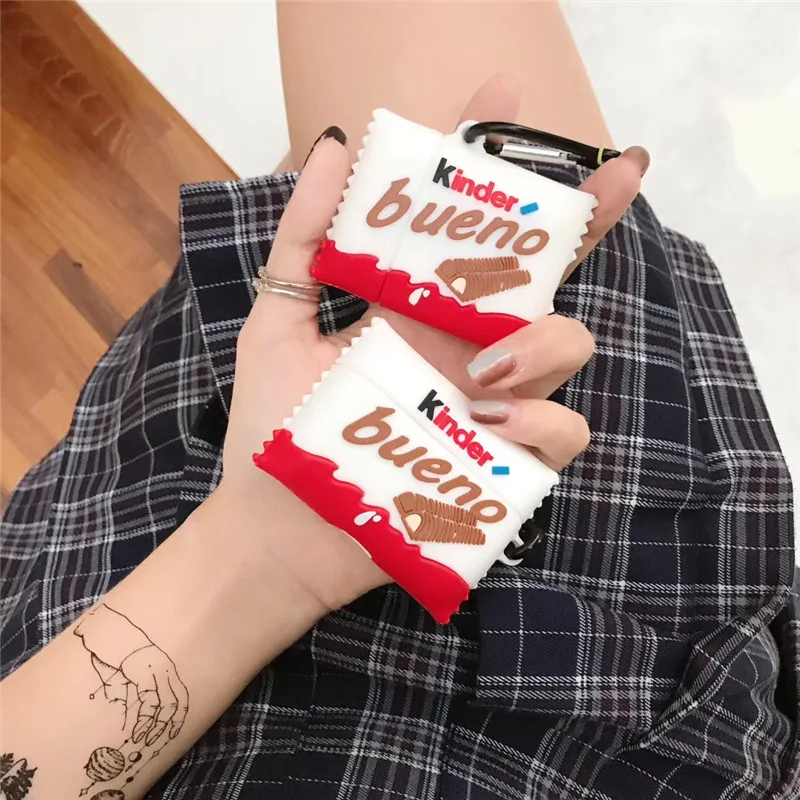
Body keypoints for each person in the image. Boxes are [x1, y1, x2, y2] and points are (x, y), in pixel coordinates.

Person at [2, 4, 798, 799]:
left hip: (144, 609)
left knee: (371, 191)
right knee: (448, 203)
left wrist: (257, 546)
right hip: (616, 676)